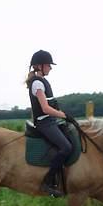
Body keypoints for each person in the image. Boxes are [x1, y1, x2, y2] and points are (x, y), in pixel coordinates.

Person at [26, 50, 72, 197]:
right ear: (39, 66)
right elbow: (45, 108)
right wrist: (64, 116)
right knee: (66, 147)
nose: (50, 68)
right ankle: (47, 182)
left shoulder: (42, 81)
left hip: (51, 121)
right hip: (44, 123)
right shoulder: (37, 83)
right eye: (48, 65)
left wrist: (63, 116)